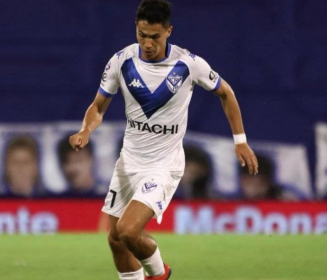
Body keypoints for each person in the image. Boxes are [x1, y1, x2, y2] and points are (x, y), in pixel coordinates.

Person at [69, 1, 258, 279]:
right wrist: (86, 130)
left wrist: (240, 140)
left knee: (129, 230)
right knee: (116, 240)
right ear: (136, 28)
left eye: (154, 36)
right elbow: (98, 106)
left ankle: (160, 274)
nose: (147, 43)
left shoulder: (188, 64)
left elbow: (226, 93)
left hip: (163, 166)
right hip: (128, 163)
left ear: (168, 31)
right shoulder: (121, 61)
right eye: (142, 34)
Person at [236, 153, 305, 200]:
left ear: (268, 182)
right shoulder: (233, 203)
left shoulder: (284, 199)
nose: (253, 188)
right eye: (248, 182)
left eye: (259, 183)